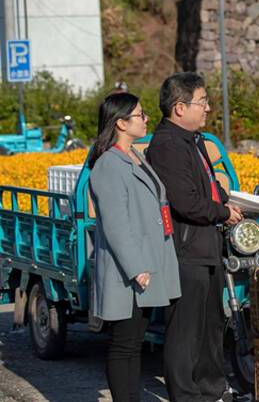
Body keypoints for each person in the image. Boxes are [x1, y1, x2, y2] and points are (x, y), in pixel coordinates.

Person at [146, 72, 243, 402]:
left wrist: (230, 203)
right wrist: (222, 212)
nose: (207, 108)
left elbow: (209, 190)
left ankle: (211, 388)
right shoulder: (167, 146)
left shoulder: (195, 140)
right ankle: (185, 394)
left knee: (211, 325)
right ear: (178, 107)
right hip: (186, 249)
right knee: (186, 330)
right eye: (201, 102)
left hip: (207, 245)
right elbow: (185, 202)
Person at [88, 92, 181, 402]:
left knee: (134, 341)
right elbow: (116, 225)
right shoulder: (108, 165)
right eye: (140, 115)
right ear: (121, 123)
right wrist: (136, 267)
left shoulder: (135, 156)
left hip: (144, 264)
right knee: (124, 343)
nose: (146, 119)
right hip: (126, 270)